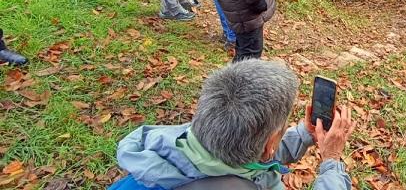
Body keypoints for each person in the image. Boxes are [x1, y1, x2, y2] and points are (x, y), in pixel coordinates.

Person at [109, 59, 354, 190]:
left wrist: (304, 134)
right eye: (282, 130)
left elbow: (252, 156)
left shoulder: (182, 142)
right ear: (270, 143)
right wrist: (331, 161)